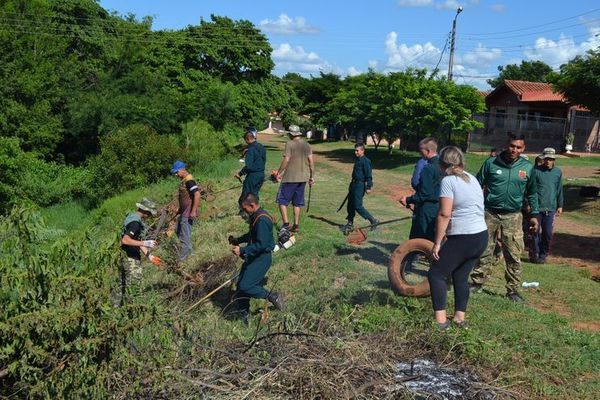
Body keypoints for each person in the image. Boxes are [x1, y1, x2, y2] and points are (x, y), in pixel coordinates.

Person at [470, 133, 539, 303]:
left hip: (514, 216)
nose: (514, 150)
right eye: (512, 146)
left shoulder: (527, 167)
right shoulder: (491, 163)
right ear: (506, 145)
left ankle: (512, 290)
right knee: (484, 249)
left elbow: (532, 193)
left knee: (513, 253)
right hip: (490, 213)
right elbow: (476, 185)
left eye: (518, 147)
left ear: (523, 149)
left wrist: (534, 215)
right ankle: (477, 282)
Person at [428, 147, 488, 329]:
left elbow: (444, 214)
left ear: (441, 164)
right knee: (461, 276)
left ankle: (441, 324)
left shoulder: (448, 181)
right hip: (481, 236)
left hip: (465, 237)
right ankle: (459, 319)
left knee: (436, 274)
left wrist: (437, 243)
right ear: (461, 162)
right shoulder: (472, 178)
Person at [229, 194, 284, 323]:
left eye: (244, 209)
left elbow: (262, 244)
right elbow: (252, 235)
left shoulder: (262, 220)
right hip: (254, 256)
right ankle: (243, 311)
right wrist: (238, 240)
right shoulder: (256, 217)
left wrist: (241, 250)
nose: (244, 212)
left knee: (246, 285)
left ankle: (272, 297)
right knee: (241, 284)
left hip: (262, 259)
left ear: (252, 205)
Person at [120, 198, 162, 304]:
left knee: (125, 283)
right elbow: (125, 240)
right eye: (149, 213)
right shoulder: (135, 223)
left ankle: (124, 306)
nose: (149, 216)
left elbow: (136, 240)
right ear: (145, 211)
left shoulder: (132, 217)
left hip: (129, 256)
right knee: (133, 284)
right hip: (130, 257)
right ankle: (133, 307)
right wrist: (145, 243)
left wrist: (149, 256)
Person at [400, 137, 441, 241]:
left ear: (428, 151)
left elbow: (424, 193)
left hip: (426, 208)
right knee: (432, 237)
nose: (420, 153)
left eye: (421, 150)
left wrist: (408, 199)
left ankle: (414, 256)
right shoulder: (442, 165)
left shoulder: (429, 168)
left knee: (419, 238)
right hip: (439, 206)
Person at [276, 125, 315, 233]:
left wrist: (279, 173)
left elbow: (286, 160)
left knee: (282, 200)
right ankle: (296, 225)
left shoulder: (289, 144)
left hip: (290, 178)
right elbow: (311, 163)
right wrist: (311, 177)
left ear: (292, 134)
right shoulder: (307, 145)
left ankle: (286, 224)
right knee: (297, 203)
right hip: (302, 178)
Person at [531, 147, 563, 264]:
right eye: (546, 159)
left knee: (547, 233)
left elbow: (559, 189)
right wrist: (529, 204)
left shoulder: (557, 172)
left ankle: (543, 254)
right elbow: (530, 189)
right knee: (534, 232)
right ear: (543, 159)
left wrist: (560, 205)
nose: (548, 161)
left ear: (554, 160)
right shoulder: (535, 171)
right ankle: (535, 253)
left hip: (550, 208)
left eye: (550, 159)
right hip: (537, 208)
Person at [341, 143, 379, 234]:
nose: (355, 152)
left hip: (360, 185)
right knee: (350, 204)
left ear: (362, 151)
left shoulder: (366, 161)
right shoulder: (357, 160)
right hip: (353, 184)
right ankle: (350, 223)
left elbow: (368, 175)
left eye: (357, 150)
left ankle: (373, 221)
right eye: (355, 150)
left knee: (357, 205)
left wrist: (369, 186)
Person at [171, 160, 201, 261]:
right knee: (178, 230)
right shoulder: (185, 180)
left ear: (182, 170)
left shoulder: (189, 181)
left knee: (184, 235)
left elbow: (197, 195)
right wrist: (179, 209)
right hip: (184, 211)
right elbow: (185, 197)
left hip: (188, 212)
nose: (176, 175)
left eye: (176, 172)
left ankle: (182, 259)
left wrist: (193, 211)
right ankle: (189, 252)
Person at [235, 128, 266, 209]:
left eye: (245, 141)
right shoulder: (261, 147)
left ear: (247, 139)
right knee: (255, 195)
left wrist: (240, 173)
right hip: (261, 175)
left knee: (246, 196)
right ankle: (256, 211)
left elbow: (249, 166)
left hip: (253, 176)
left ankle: (244, 212)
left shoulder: (250, 150)